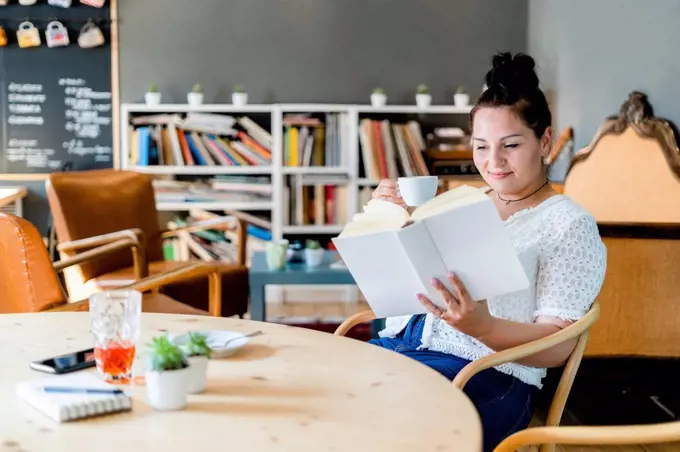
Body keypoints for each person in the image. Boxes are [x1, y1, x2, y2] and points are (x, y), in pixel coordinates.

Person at [369, 52, 607, 451]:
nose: (492, 162)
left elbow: (559, 345)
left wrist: (482, 326)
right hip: (405, 345)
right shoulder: (459, 203)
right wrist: (382, 223)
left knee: (380, 416)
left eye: (510, 145)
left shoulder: (569, 224)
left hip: (488, 373)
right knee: (325, 388)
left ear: (544, 140)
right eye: (481, 146)